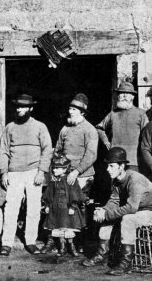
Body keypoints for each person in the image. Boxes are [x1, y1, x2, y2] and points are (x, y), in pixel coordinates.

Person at [82, 147, 152, 276]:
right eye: (108, 166)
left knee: (128, 219)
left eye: (112, 166)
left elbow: (131, 208)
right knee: (105, 215)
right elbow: (114, 200)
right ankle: (102, 254)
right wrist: (103, 211)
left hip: (148, 210)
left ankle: (126, 263)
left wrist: (107, 213)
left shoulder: (134, 180)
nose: (108, 169)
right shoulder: (116, 180)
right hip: (136, 209)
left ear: (122, 166)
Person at [0, 94, 53, 256]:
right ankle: (6, 243)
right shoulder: (10, 128)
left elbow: (47, 150)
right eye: (17, 107)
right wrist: (4, 173)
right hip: (14, 173)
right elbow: (3, 152)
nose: (19, 109)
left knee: (34, 208)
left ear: (31, 108)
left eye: (23, 107)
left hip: (33, 172)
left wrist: (41, 171)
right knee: (11, 208)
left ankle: (30, 241)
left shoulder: (40, 127)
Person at [54, 93, 98, 252]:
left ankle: (80, 242)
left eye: (74, 109)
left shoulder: (90, 130)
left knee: (79, 208)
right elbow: (58, 151)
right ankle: (61, 242)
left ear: (83, 113)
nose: (70, 112)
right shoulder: (65, 129)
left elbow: (91, 155)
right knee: (60, 206)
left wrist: (76, 172)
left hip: (83, 176)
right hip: (64, 175)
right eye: (70, 108)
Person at [96, 81, 148, 172]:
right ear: (117, 96)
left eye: (127, 93)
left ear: (133, 97)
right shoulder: (113, 114)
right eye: (121, 93)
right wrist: (106, 141)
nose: (124, 96)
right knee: (116, 185)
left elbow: (147, 136)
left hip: (134, 161)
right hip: (115, 161)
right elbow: (99, 128)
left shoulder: (141, 114)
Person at [41, 153, 87, 257]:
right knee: (59, 227)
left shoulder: (70, 180)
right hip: (56, 208)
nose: (54, 170)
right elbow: (49, 194)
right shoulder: (53, 181)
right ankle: (62, 248)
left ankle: (71, 246)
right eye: (54, 168)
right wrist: (47, 205)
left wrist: (72, 206)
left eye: (57, 168)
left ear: (65, 169)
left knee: (68, 228)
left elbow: (74, 194)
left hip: (66, 208)